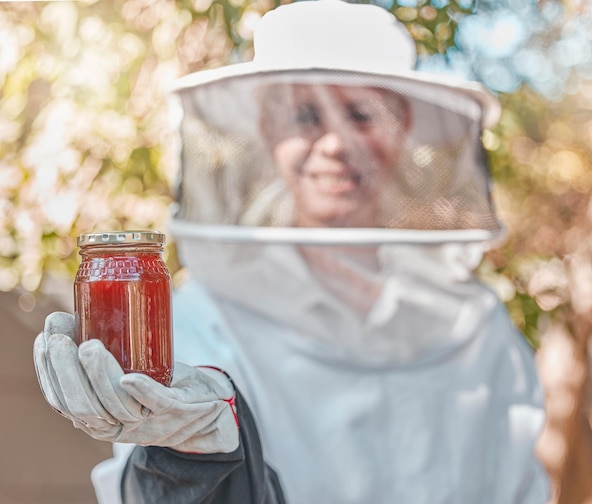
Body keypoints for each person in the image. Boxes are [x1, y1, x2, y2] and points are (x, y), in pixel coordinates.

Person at [33, 1, 551, 503]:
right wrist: (184, 458)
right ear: (268, 130)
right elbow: (144, 489)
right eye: (306, 115)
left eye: (362, 114)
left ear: (403, 126)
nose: (335, 143)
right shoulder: (204, 319)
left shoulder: (478, 325)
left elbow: (522, 487)